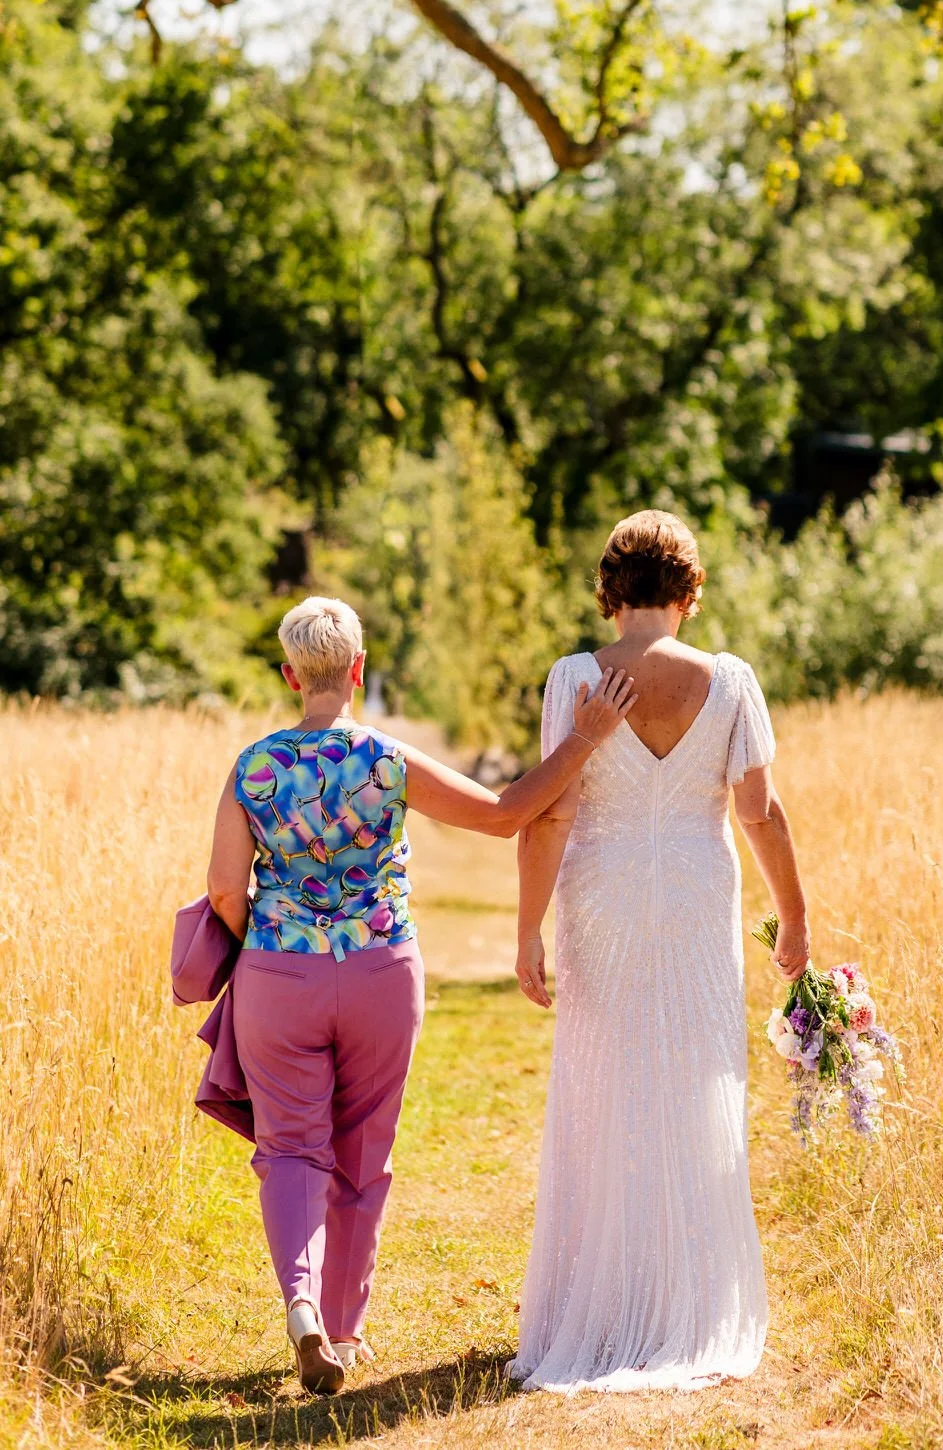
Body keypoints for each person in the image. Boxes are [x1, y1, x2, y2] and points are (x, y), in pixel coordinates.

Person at [205, 594, 637, 1396]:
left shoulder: (253, 768)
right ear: (358, 670)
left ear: (291, 673)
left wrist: (261, 942)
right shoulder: (388, 761)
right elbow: (508, 815)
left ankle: (300, 1307)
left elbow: (226, 889)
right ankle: (344, 1328)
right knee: (363, 1150)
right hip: (379, 970)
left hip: (278, 974)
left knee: (291, 1147)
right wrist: (585, 737)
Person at [512, 510, 810, 1393]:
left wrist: (528, 929)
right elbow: (760, 812)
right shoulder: (731, 681)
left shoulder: (574, 676)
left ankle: (601, 1307)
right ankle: (687, 1299)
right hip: (694, 896)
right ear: (691, 591)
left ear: (608, 591)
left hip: (600, 896)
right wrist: (793, 913)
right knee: (692, 1079)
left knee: (603, 1082)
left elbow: (554, 810)